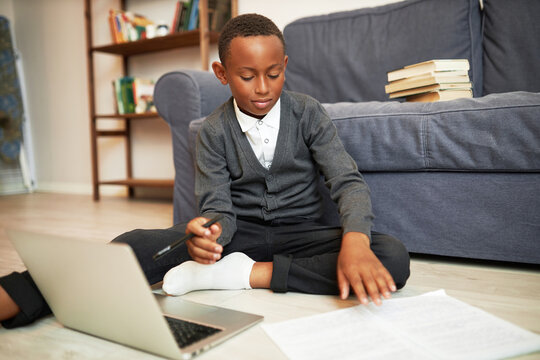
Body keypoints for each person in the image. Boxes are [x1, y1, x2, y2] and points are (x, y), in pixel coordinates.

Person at [0, 13, 410, 329]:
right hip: (239, 232)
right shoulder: (213, 130)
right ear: (222, 74)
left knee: (390, 255)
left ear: (285, 65)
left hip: (302, 233)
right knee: (137, 243)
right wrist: (210, 237)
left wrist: (355, 240)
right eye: (247, 77)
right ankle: (20, 293)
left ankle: (247, 276)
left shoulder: (308, 113)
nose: (263, 88)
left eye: (274, 74)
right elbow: (217, 207)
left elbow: (346, 181)